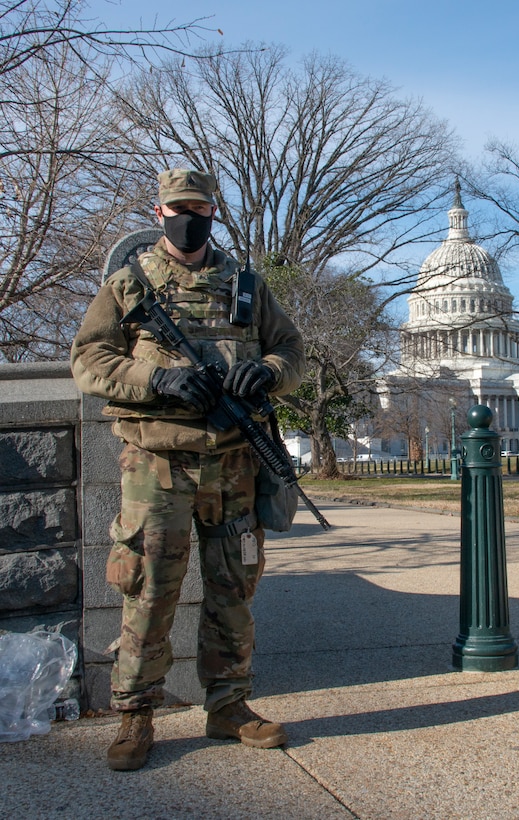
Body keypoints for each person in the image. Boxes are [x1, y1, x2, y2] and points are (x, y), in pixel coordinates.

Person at [71, 168, 305, 771]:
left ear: (213, 212)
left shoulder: (247, 286)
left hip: (233, 465)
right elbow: (89, 358)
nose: (188, 217)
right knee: (149, 591)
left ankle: (229, 706)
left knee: (233, 591)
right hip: (158, 464)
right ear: (159, 212)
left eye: (199, 207)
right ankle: (135, 715)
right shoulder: (129, 284)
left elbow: (291, 349)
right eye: (178, 207)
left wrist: (271, 372)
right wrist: (157, 379)